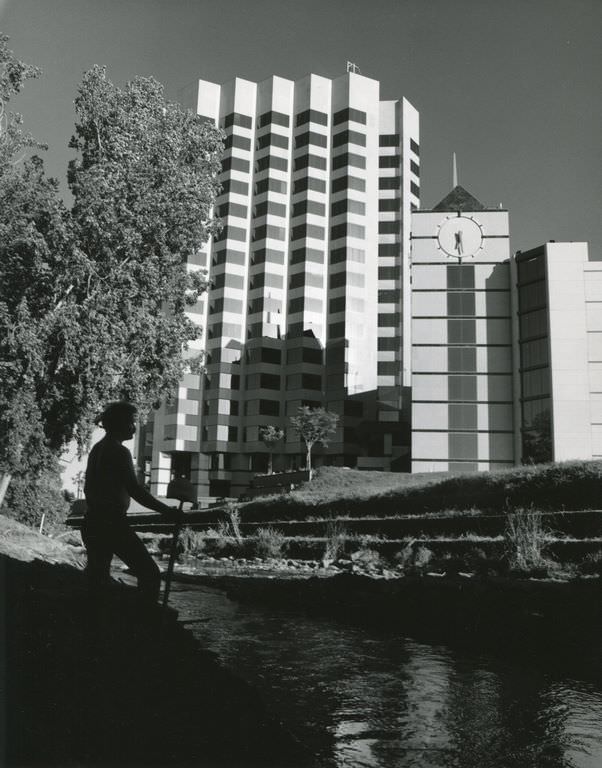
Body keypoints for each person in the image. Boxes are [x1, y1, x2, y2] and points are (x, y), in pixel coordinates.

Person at [82, 401, 182, 603]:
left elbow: (89, 488)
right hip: (112, 524)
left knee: (98, 578)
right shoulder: (119, 451)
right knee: (150, 574)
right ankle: (143, 625)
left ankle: (102, 625)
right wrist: (167, 512)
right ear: (118, 423)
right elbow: (135, 490)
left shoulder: (97, 448)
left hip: (92, 521)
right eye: (130, 422)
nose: (134, 428)